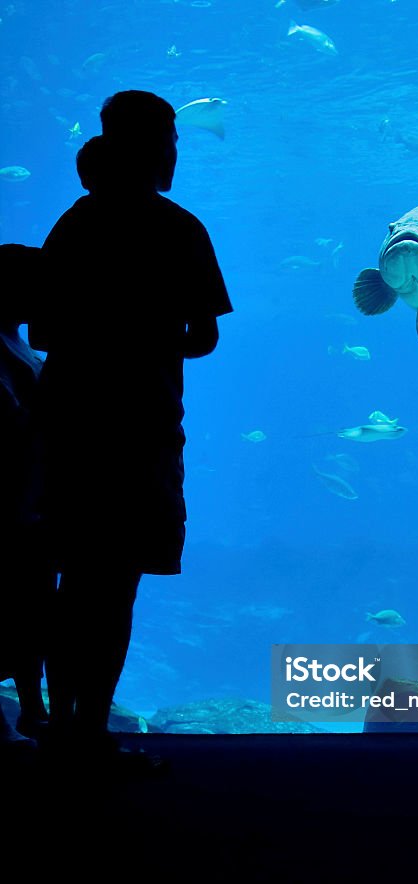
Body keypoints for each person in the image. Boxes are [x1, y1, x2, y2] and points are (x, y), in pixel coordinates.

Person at [29, 90, 232, 768]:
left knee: (69, 577)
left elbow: (44, 330)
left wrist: (100, 339)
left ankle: (60, 726)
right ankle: (89, 731)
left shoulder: (72, 226)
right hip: (142, 427)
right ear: (158, 147)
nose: (176, 150)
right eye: (171, 138)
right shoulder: (180, 229)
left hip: (69, 425)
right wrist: (147, 340)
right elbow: (202, 337)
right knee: (114, 585)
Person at [0, 244, 55, 747]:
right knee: (11, 607)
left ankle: (33, 707)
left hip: (35, 507)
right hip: (12, 507)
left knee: (34, 611)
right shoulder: (1, 348)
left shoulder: (19, 345)